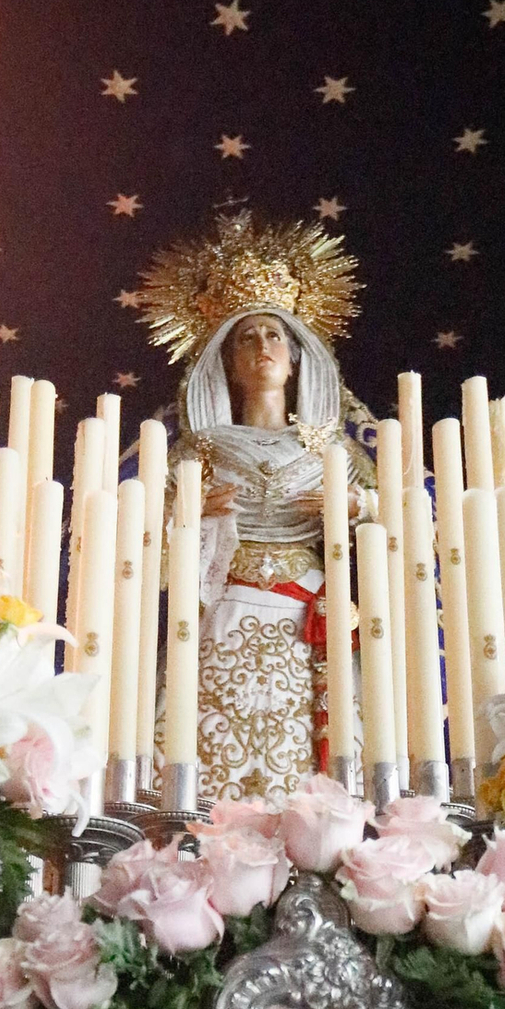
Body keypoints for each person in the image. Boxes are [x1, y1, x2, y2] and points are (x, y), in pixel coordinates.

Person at [138, 211, 374, 803]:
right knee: (214, 753)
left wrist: (353, 510)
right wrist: (193, 517)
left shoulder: (333, 452)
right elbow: (150, 549)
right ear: (226, 359)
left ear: (296, 357)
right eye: (246, 337)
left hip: (307, 618)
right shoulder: (197, 451)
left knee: (305, 762)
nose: (262, 347)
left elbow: (386, 542)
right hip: (224, 612)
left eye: (274, 335)